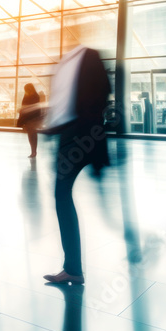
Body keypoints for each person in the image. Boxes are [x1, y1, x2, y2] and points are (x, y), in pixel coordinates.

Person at [42, 43, 110, 285]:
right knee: (62, 196)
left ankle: (73, 268)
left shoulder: (89, 55)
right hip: (70, 136)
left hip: (80, 137)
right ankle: (73, 267)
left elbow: (102, 92)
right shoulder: (65, 62)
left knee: (62, 196)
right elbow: (64, 102)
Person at [17, 83, 41, 158]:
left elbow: (33, 107)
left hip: (32, 118)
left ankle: (33, 152)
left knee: (32, 135)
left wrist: (23, 109)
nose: (25, 91)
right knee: (31, 136)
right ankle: (33, 151)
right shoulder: (32, 96)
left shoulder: (34, 96)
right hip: (30, 119)